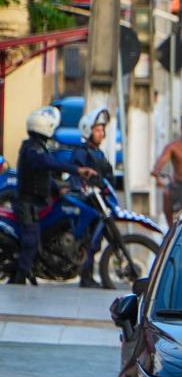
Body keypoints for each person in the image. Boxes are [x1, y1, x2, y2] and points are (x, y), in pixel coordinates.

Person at [10, 107, 97, 285]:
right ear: (45, 126)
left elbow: (43, 175)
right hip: (28, 204)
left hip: (37, 203)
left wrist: (59, 189)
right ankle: (18, 279)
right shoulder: (33, 150)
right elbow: (48, 164)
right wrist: (77, 170)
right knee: (31, 241)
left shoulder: (39, 148)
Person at [70, 108, 117, 287]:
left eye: (102, 129)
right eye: (97, 129)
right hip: (89, 204)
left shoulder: (98, 152)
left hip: (101, 203)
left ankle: (88, 274)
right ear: (88, 131)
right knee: (89, 240)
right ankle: (85, 276)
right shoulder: (82, 152)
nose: (101, 133)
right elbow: (77, 178)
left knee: (97, 241)